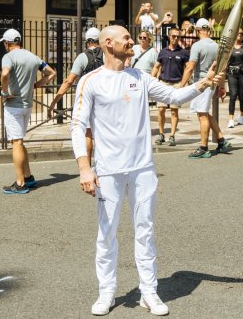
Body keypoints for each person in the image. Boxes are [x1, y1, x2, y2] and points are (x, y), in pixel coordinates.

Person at [71, 25, 223, 317]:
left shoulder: (140, 77)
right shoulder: (91, 81)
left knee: (145, 231)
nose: (131, 41)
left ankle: (149, 292)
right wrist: (84, 168)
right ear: (107, 43)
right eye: (126, 37)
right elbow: (78, 125)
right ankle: (106, 292)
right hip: (108, 172)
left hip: (142, 169)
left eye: (131, 37)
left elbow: (175, 97)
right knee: (107, 233)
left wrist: (204, 83)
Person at [0, 29, 56, 194]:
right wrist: (38, 85)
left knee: (16, 143)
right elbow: (52, 73)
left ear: (7, 43)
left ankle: (20, 183)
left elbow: (5, 74)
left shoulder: (8, 57)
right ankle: (28, 177)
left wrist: (4, 92)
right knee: (20, 141)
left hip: (13, 105)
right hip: (27, 105)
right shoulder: (33, 57)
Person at [48, 27, 102, 160]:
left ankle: (88, 166)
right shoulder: (107, 56)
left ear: (87, 41)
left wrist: (53, 103)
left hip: (88, 100)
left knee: (88, 134)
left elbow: (68, 82)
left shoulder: (82, 57)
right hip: (105, 98)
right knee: (104, 134)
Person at [180, 17, 231, 158]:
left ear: (197, 30)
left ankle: (204, 147)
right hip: (213, 83)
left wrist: (181, 86)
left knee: (202, 115)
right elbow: (222, 69)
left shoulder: (197, 45)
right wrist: (222, 87)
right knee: (206, 113)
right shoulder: (217, 46)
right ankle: (221, 140)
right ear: (209, 29)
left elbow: (190, 66)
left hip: (201, 83)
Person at [150, 27, 190, 146]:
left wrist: (183, 84)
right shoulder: (163, 52)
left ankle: (172, 136)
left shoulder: (183, 52)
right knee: (161, 110)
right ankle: (161, 134)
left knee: (174, 111)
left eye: (178, 36)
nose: (176, 38)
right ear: (169, 36)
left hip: (176, 84)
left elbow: (188, 68)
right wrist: (151, 80)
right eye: (173, 36)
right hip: (163, 83)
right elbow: (156, 67)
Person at [226, 28, 243, 128]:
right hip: (232, 74)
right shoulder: (229, 47)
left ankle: (242, 115)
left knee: (242, 96)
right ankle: (231, 119)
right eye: (238, 33)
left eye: (241, 34)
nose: (240, 35)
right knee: (233, 95)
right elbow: (224, 60)